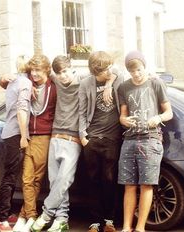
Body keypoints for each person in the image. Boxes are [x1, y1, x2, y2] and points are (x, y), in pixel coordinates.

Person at [31, 55, 115, 232]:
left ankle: (46, 214)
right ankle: (61, 219)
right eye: (59, 73)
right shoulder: (56, 80)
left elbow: (110, 70)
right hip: (55, 136)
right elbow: (37, 72)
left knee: (64, 179)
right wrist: (20, 81)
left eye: (65, 71)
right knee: (55, 182)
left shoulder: (84, 80)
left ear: (72, 68)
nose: (62, 75)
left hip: (73, 139)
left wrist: (108, 84)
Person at [0, 54, 57, 232]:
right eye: (32, 70)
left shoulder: (53, 86)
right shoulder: (27, 83)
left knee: (36, 179)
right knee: (26, 178)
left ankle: (26, 215)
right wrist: (2, 78)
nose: (35, 74)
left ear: (46, 70)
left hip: (43, 135)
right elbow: (8, 83)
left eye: (38, 70)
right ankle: (31, 215)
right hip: (27, 135)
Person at [117, 51, 173, 232]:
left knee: (146, 184)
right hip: (130, 139)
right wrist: (123, 120)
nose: (136, 74)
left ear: (144, 67)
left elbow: (168, 113)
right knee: (129, 185)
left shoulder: (156, 83)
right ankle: (126, 227)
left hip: (151, 139)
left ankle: (140, 228)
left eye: (139, 70)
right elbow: (122, 116)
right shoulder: (124, 88)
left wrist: (158, 118)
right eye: (132, 71)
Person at [78, 51, 124, 232]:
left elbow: (123, 69)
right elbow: (81, 111)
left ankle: (110, 220)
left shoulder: (116, 77)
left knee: (110, 179)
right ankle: (95, 222)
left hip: (112, 138)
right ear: (97, 71)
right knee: (92, 180)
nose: (110, 70)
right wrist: (83, 136)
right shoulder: (85, 83)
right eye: (106, 69)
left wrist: (109, 83)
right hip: (92, 139)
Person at [0, 55, 32, 232]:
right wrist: (24, 136)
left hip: (8, 133)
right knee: (10, 177)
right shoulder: (25, 83)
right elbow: (21, 110)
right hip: (15, 134)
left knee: (11, 176)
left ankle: (7, 212)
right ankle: (3, 219)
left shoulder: (14, 81)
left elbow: (3, 84)